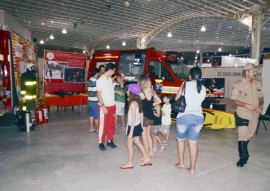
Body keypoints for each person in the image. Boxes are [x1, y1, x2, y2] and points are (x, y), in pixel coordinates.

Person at [231, 63, 264, 167]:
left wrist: (261, 106)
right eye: (253, 71)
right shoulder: (238, 84)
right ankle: (243, 157)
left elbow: (261, 97)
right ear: (246, 72)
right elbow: (234, 100)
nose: (255, 73)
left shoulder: (257, 83)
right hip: (243, 112)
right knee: (242, 134)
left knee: (250, 134)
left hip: (255, 113)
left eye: (255, 71)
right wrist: (246, 105)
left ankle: (242, 147)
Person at [175, 67, 206, 175]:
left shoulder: (185, 85)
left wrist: (183, 86)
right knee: (193, 143)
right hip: (198, 118)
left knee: (181, 140)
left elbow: (176, 98)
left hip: (184, 117)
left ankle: (181, 163)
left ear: (190, 76)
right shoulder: (203, 88)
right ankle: (192, 168)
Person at [120, 84, 152, 169]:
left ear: (131, 92)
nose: (127, 91)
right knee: (137, 142)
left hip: (133, 126)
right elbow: (141, 114)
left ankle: (130, 163)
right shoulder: (138, 101)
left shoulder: (133, 104)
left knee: (129, 144)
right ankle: (147, 157)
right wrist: (141, 126)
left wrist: (131, 133)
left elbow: (133, 118)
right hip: (137, 125)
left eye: (128, 90)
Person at [96, 63, 124, 151]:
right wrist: (103, 106)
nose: (114, 72)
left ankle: (110, 140)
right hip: (105, 106)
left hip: (112, 105)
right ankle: (101, 142)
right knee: (103, 125)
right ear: (110, 70)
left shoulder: (109, 79)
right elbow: (98, 94)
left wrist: (117, 92)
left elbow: (109, 89)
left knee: (111, 125)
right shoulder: (101, 80)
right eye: (114, 70)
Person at [138, 74, 162, 158]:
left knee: (144, 136)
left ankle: (146, 155)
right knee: (148, 135)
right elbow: (159, 101)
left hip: (144, 116)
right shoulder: (152, 91)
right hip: (151, 116)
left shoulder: (141, 92)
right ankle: (151, 152)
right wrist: (151, 104)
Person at [87, 68, 99, 133]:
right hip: (95, 101)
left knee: (91, 115)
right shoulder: (95, 81)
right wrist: (100, 100)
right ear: (96, 74)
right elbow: (96, 92)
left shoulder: (89, 80)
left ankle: (91, 128)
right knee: (97, 116)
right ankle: (98, 129)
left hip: (89, 101)